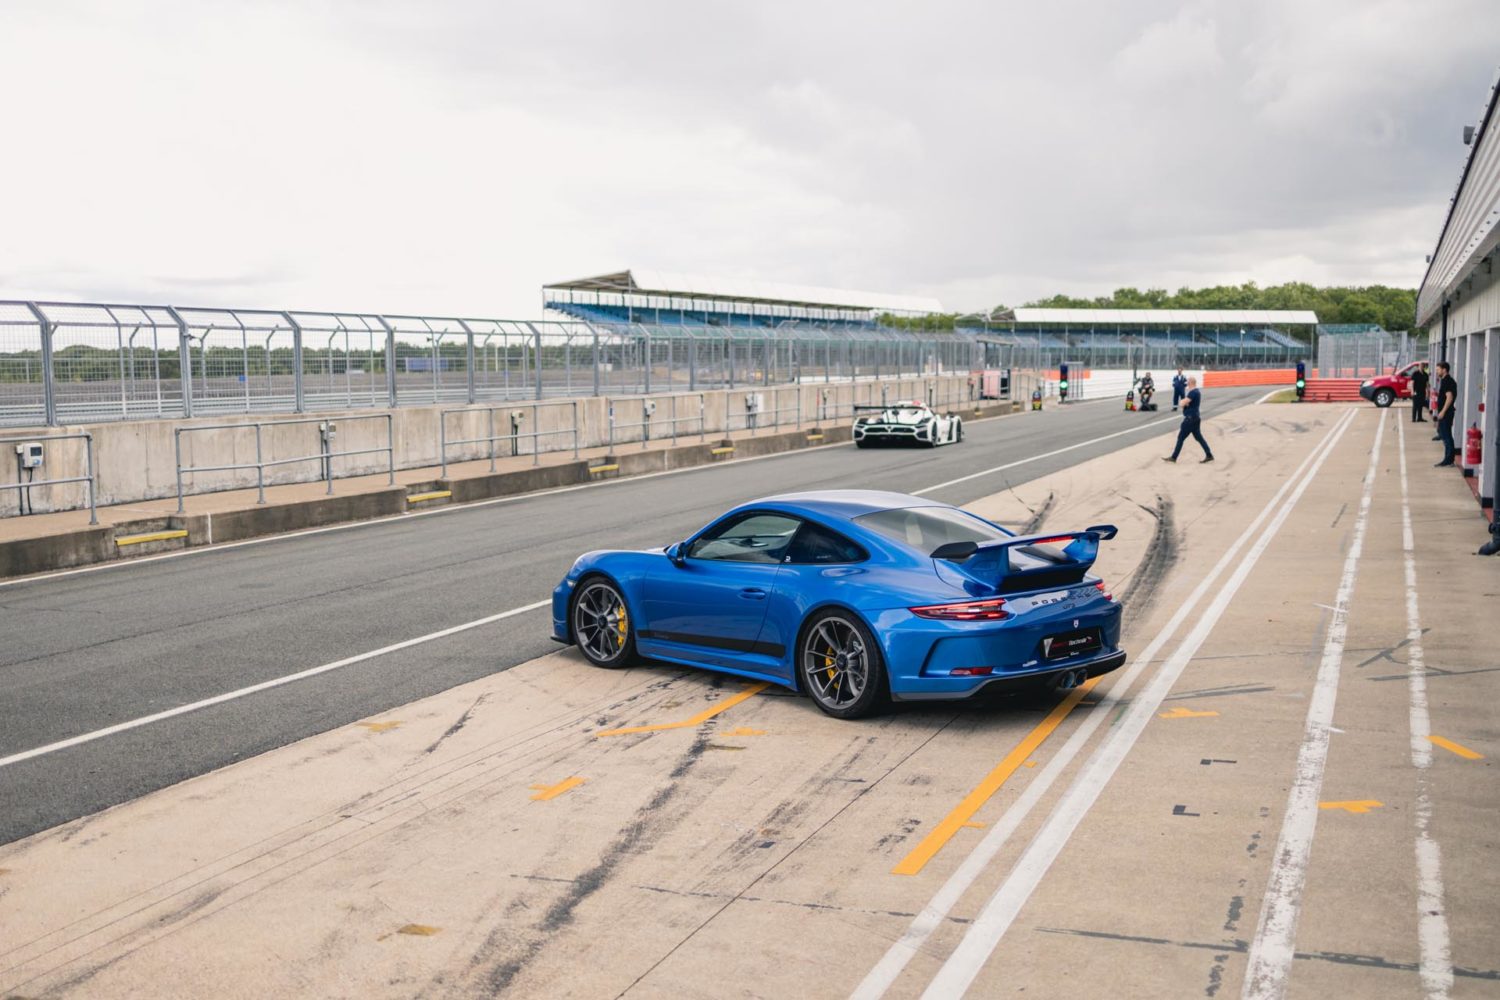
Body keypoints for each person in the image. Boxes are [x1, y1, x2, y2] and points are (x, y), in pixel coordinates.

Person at [1163, 376, 1214, 463]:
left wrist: (1183, 402)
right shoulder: (1197, 392)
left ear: (1190, 383)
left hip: (1190, 419)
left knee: (1180, 438)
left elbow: (1182, 403)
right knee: (1199, 438)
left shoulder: (1192, 392)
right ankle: (1209, 454)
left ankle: (1174, 457)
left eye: (1187, 383)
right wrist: (1185, 403)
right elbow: (1185, 403)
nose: (1186, 385)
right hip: (1195, 418)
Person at [1433, 362, 1458, 466]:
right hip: (1446, 412)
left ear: (1444, 370)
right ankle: (1449, 459)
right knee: (1446, 435)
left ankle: (1448, 460)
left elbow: (1450, 397)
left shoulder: (1447, 381)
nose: (1436, 371)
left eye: (1438, 369)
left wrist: (1442, 412)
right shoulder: (1446, 380)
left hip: (1446, 413)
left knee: (1446, 436)